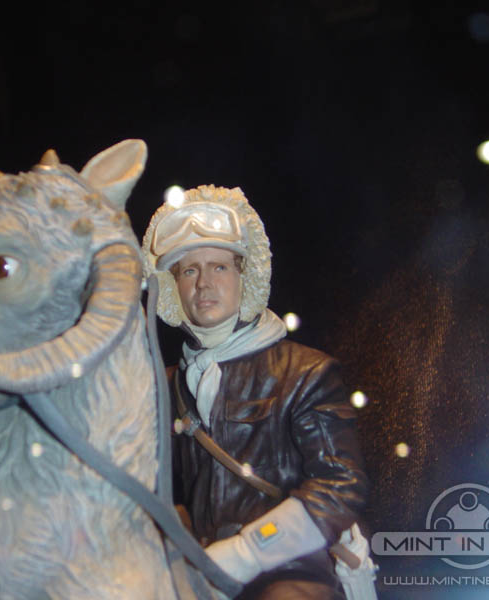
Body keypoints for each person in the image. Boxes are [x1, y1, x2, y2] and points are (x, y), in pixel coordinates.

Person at [142, 185, 368, 599]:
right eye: (189, 271)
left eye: (219, 267)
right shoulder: (164, 384)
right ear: (174, 286)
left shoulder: (304, 372)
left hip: (291, 571)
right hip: (197, 573)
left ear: (244, 275)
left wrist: (247, 552)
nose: (204, 284)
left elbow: (340, 486)